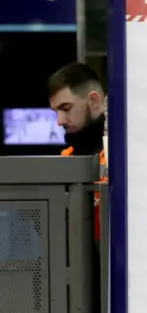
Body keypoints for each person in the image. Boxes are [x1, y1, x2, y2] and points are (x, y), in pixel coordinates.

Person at [48, 62, 107, 241]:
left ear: (94, 101)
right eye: (56, 111)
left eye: (66, 108)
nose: (59, 121)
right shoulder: (65, 159)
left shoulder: (123, 155)